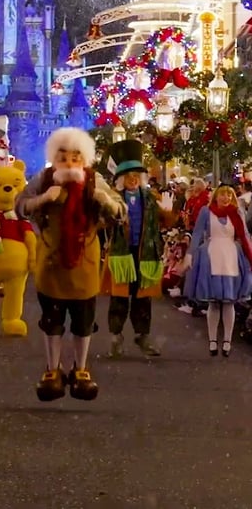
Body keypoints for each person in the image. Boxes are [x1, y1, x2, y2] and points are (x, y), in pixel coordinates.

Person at [16, 127, 125, 402]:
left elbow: (120, 211)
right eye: (63, 158)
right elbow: (20, 206)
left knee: (83, 321)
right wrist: (43, 199)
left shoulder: (94, 181)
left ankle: (81, 368)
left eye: (76, 158)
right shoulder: (43, 180)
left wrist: (104, 201)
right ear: (54, 158)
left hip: (84, 264)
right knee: (52, 321)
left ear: (84, 159)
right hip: (52, 264)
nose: (70, 163)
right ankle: (53, 369)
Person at [102, 139, 174, 359]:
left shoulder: (152, 199)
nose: (133, 180)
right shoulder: (113, 199)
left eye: (136, 176)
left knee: (143, 298)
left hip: (144, 255)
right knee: (119, 297)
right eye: (129, 176)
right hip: (121, 255)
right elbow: (102, 222)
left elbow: (166, 222)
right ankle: (116, 338)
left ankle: (143, 335)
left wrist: (170, 211)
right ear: (122, 179)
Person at [182, 185, 252, 357]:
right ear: (216, 196)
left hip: (230, 257)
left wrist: (250, 258)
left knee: (229, 301)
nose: (226, 197)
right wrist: (190, 254)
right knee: (213, 301)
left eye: (229, 194)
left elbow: (244, 236)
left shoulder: (237, 213)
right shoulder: (206, 212)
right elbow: (197, 233)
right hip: (210, 256)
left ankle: (227, 340)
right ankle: (213, 340)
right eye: (223, 194)